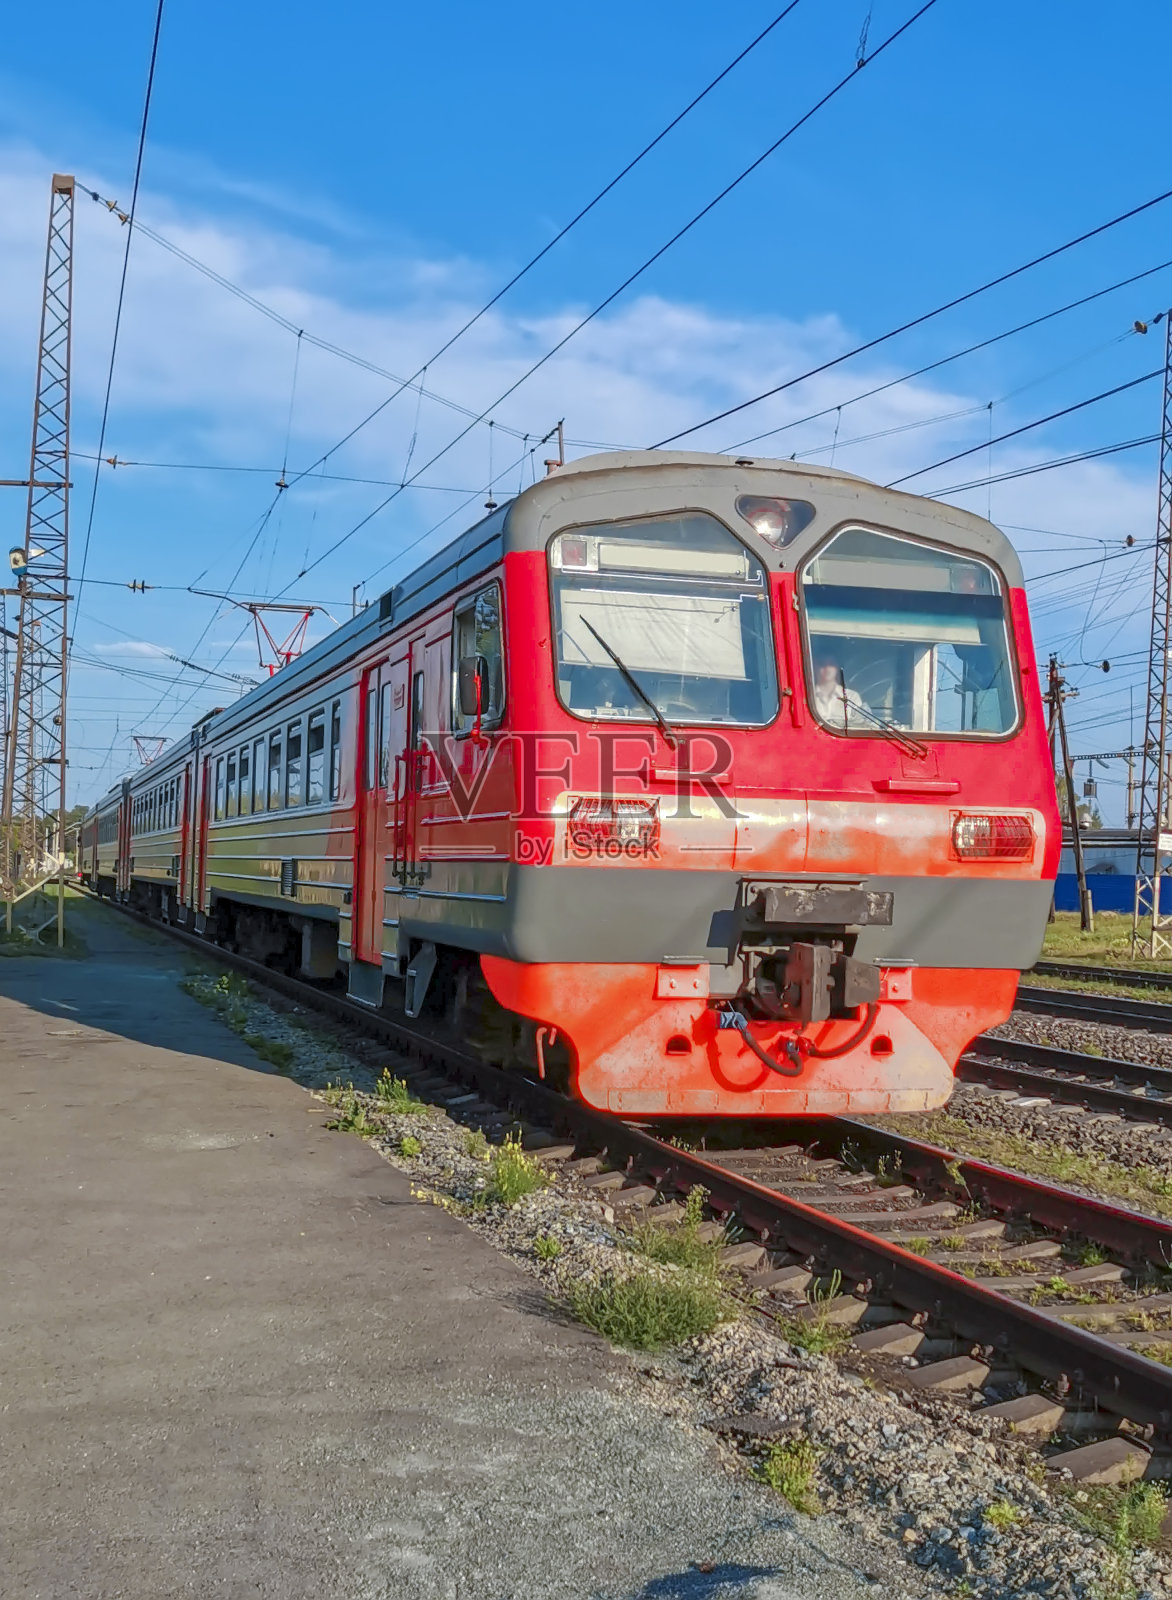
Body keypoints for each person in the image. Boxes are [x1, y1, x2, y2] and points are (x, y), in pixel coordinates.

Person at [812, 657, 866, 729]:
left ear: (837, 667)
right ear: (814, 667)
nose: (827, 668)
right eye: (822, 664)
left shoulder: (851, 696)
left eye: (831, 664)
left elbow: (861, 726)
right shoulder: (807, 696)